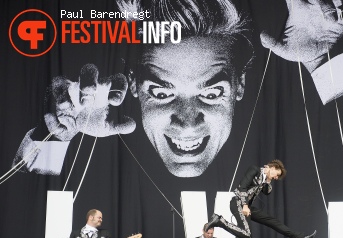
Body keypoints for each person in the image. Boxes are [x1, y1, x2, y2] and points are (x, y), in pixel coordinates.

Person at [12, 0, 252, 178]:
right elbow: (22, 212)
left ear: (240, 84)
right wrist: (53, 136)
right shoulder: (104, 161)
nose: (187, 123)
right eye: (161, 93)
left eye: (211, 94)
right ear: (134, 83)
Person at [205, 159, 316, 238]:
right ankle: (219, 221)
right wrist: (244, 205)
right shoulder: (255, 170)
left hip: (247, 206)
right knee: (247, 235)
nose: (276, 178)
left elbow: (267, 192)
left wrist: (268, 181)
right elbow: (242, 187)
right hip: (238, 202)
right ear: (272, 167)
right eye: (276, 174)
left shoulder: (265, 180)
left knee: (273, 222)